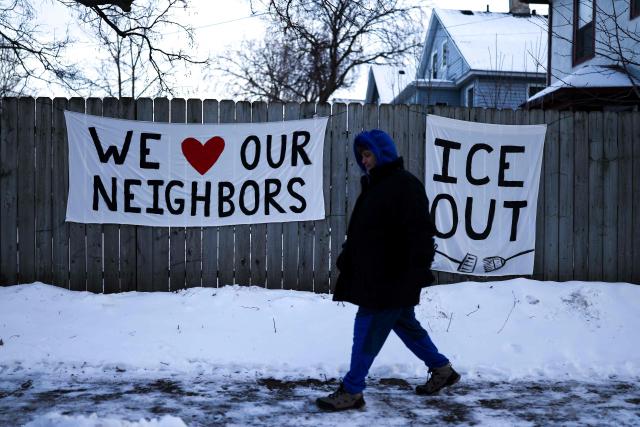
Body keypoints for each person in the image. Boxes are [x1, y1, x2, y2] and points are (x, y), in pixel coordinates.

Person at [316, 129, 460, 411]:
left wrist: (413, 272)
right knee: (404, 324)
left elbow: (421, 234)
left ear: (382, 154)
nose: (364, 160)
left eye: (368, 154)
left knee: (367, 326)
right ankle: (441, 369)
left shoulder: (404, 185)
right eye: (361, 156)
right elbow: (367, 231)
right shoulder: (375, 185)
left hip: (391, 277)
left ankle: (352, 390)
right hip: (378, 274)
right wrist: (349, 257)